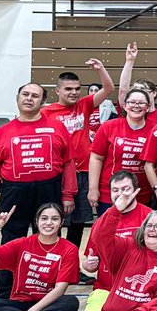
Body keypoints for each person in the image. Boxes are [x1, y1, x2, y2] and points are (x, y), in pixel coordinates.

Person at [0, 83, 76, 296]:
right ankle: (5, 293)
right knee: (9, 241)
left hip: (49, 190)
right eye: (25, 94)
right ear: (18, 98)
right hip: (14, 192)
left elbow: (68, 163)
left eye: (35, 96)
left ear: (43, 102)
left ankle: (45, 292)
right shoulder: (4, 132)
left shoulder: (57, 127)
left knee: (48, 243)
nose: (29, 98)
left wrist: (67, 195)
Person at [42, 61, 114, 248]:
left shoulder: (84, 105)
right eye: (68, 89)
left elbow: (108, 88)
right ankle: (52, 263)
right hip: (57, 174)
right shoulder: (45, 113)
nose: (74, 92)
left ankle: (71, 264)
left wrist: (100, 69)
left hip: (82, 172)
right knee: (53, 221)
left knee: (78, 223)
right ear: (57, 91)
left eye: (77, 88)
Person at [82, 172, 153, 311]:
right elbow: (89, 265)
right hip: (105, 289)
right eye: (115, 190)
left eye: (125, 189)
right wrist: (89, 264)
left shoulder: (150, 217)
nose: (120, 194)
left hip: (139, 292)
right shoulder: (102, 221)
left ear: (136, 190)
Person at [88, 88, 155, 215]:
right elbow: (96, 158)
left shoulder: (155, 130)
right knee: (109, 230)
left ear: (148, 107)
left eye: (141, 103)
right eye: (132, 102)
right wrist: (93, 189)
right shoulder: (108, 127)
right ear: (124, 105)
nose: (136, 106)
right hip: (110, 194)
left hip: (142, 195)